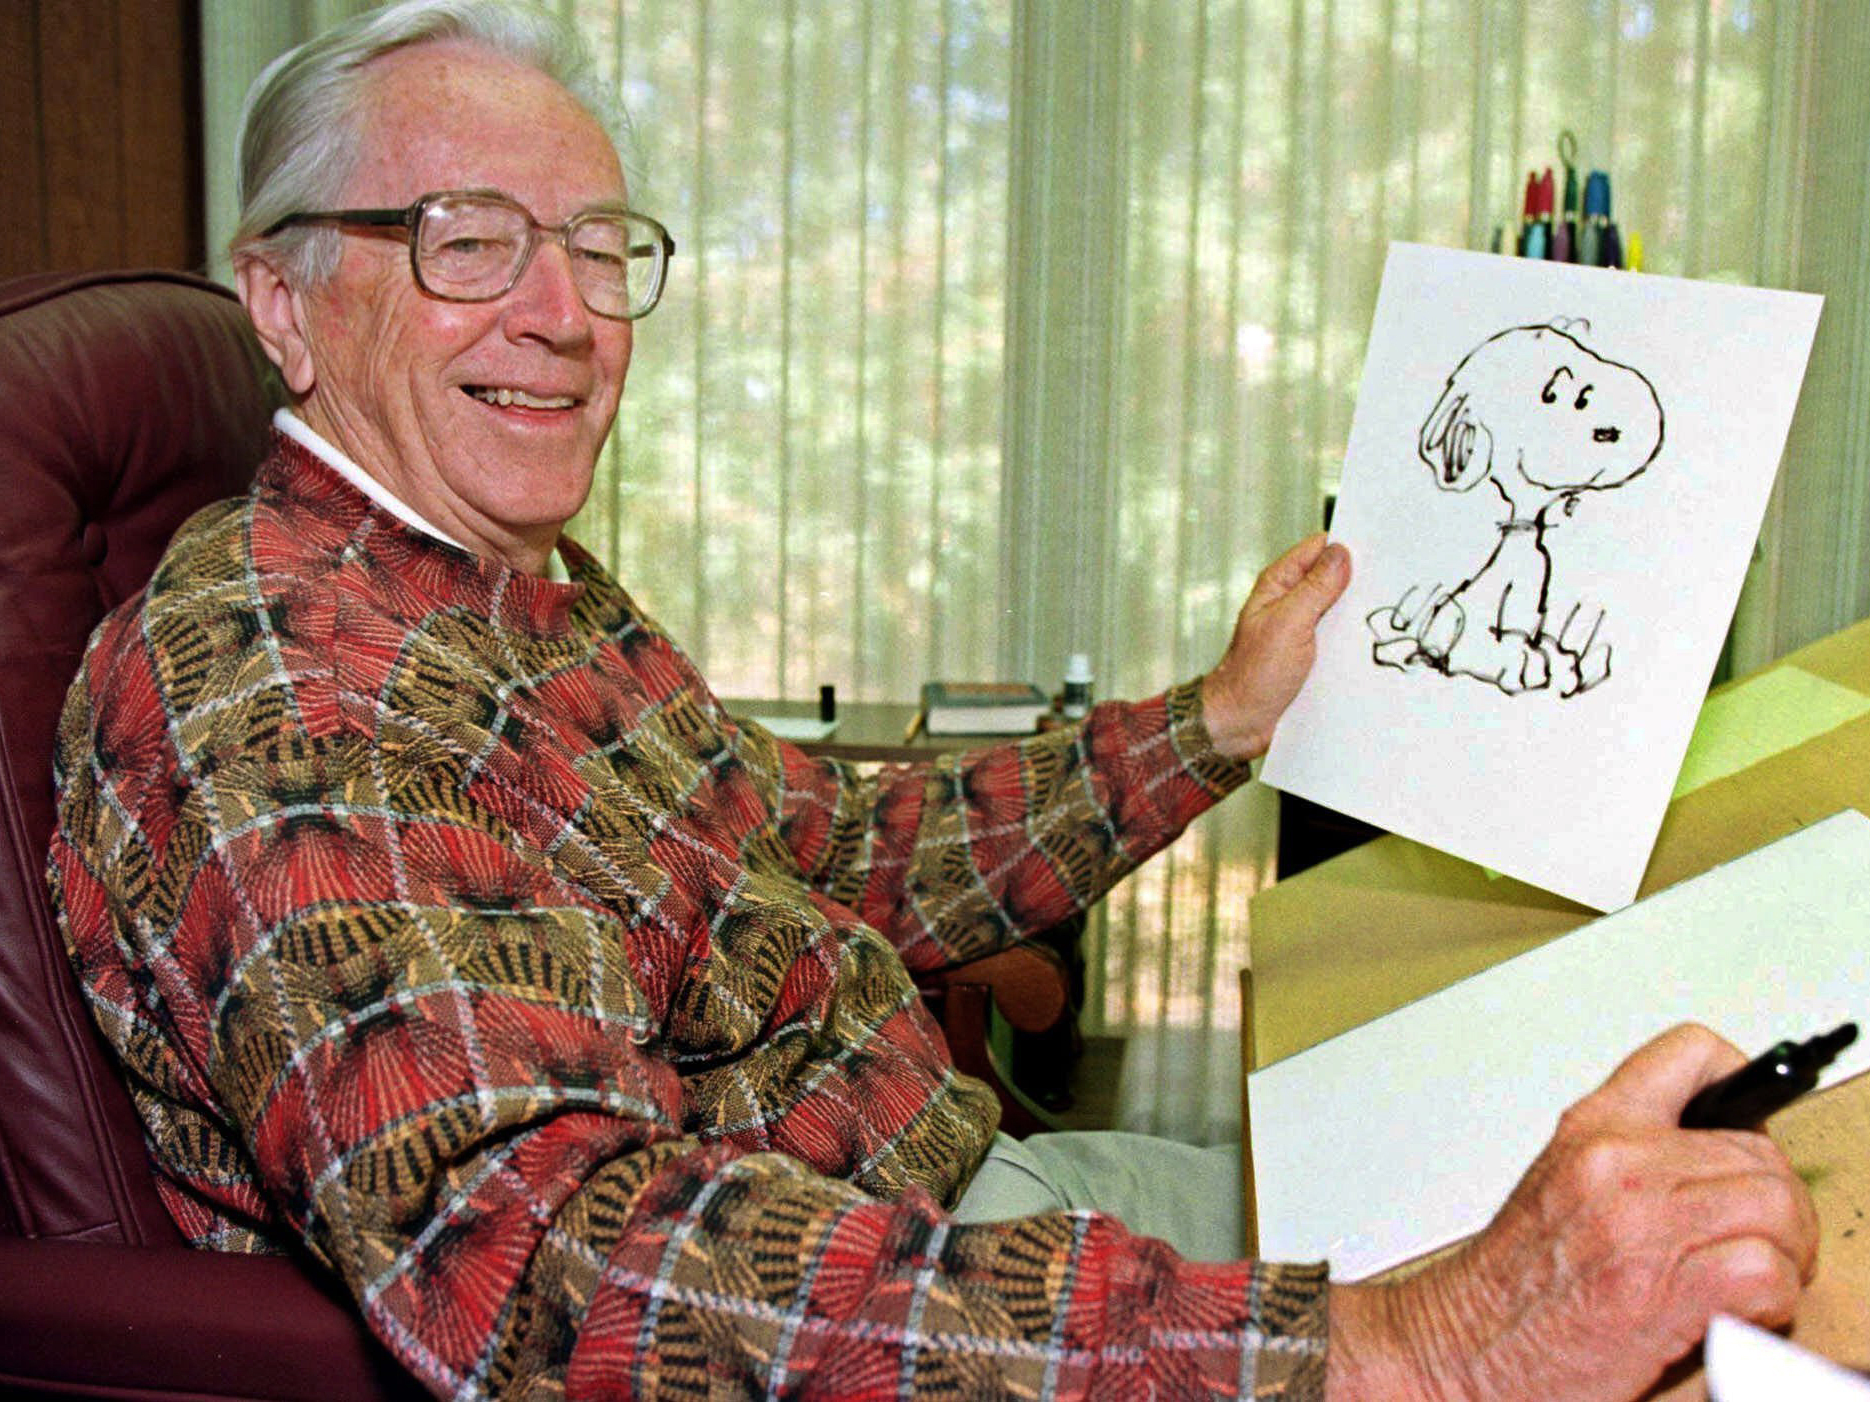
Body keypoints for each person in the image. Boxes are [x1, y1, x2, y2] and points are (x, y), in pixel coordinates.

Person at [46, 3, 1817, 1398]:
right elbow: (559, 1264)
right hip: (899, 1315)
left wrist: (1213, 719)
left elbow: (824, 838)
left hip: (971, 1227)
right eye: (469, 240)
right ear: (282, 301)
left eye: (600, 245)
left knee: (1701, 1201)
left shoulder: (509, 575)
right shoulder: (289, 694)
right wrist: (1407, 1346)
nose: (568, 314)